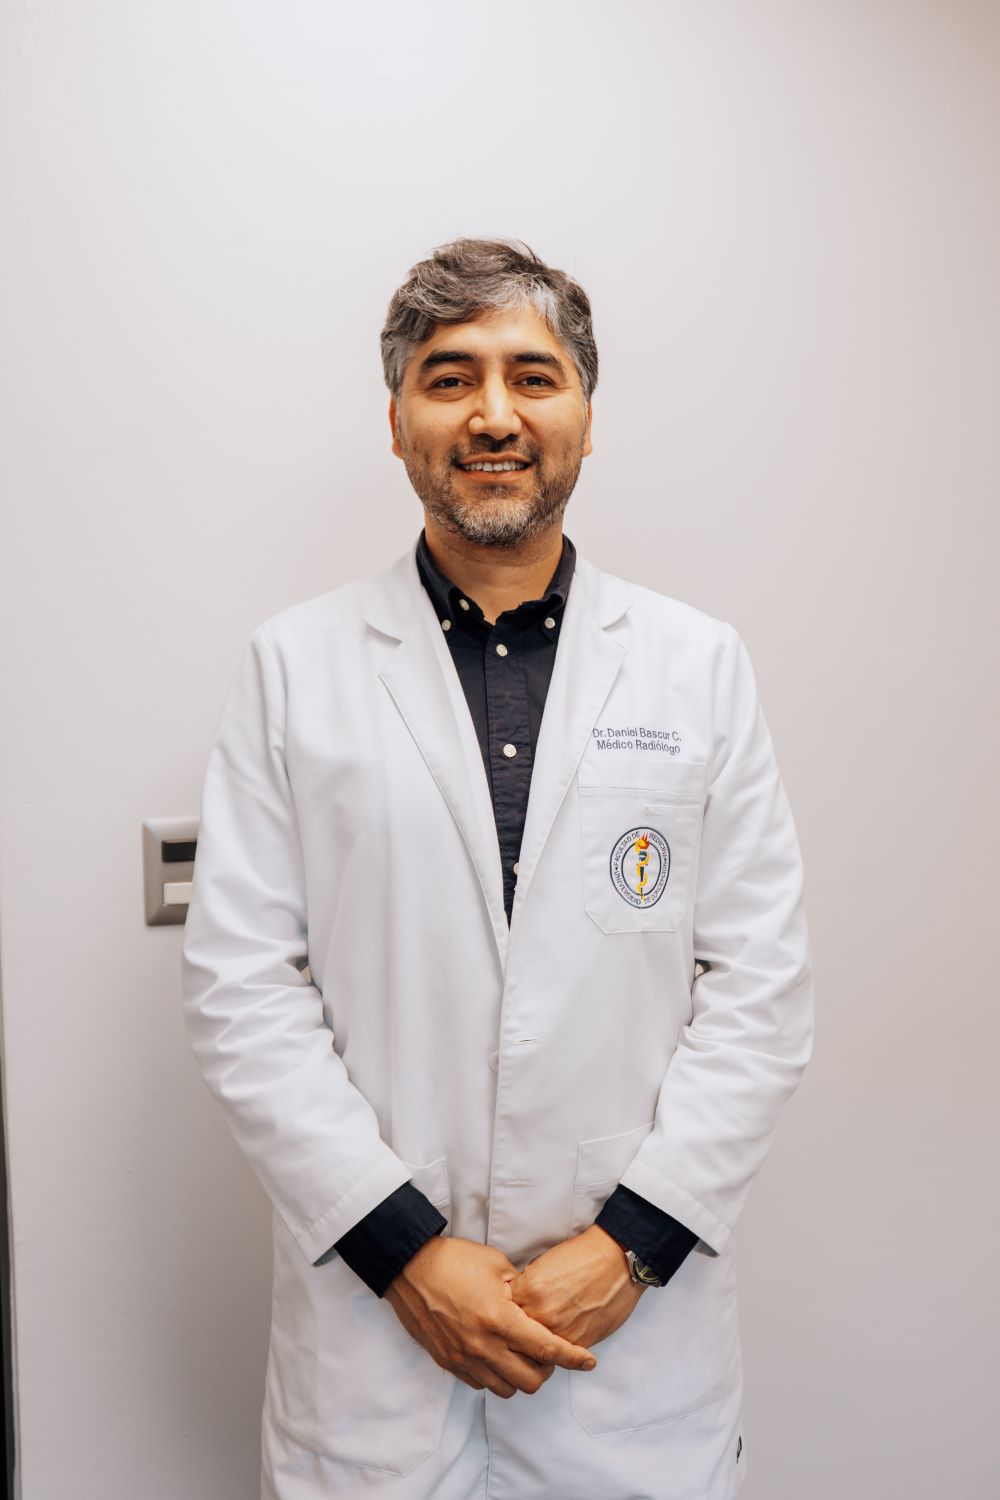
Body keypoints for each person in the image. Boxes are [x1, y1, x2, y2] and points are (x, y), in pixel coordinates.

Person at [181, 237, 814, 1500]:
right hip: (377, 1343)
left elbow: (762, 989)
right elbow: (238, 990)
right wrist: (402, 1253)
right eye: (448, 377)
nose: (492, 415)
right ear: (397, 422)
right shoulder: (294, 667)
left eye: (532, 376)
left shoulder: (696, 666)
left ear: (585, 415)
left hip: (629, 1351)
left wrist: (630, 1247)